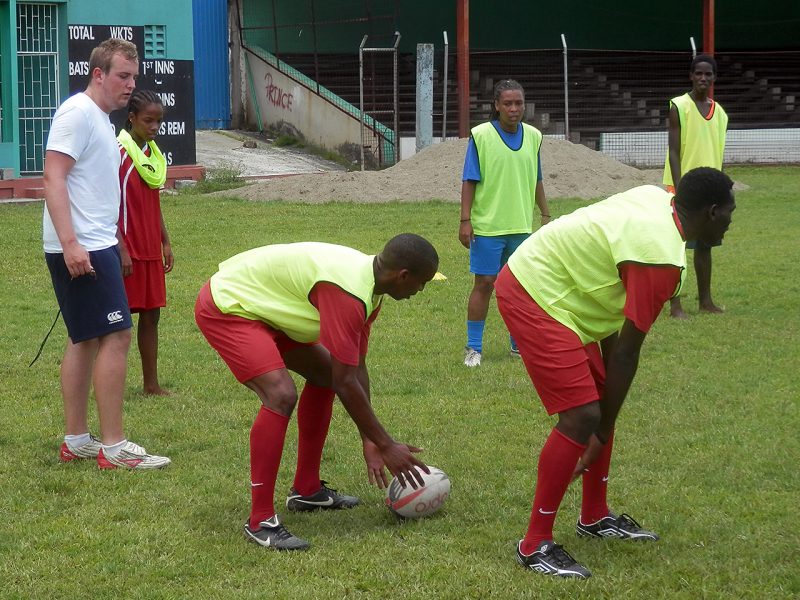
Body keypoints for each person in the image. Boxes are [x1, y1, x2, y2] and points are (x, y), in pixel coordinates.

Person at [495, 168, 735, 578]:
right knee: (583, 416)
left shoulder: (660, 201)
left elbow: (615, 327)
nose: (732, 221)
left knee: (602, 400)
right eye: (730, 212)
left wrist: (605, 414)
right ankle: (534, 544)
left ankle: (594, 516)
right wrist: (600, 430)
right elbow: (627, 351)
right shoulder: (659, 255)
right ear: (712, 212)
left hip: (567, 288)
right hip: (535, 289)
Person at [194, 234, 439, 551]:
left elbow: (354, 369)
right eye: (421, 284)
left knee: (325, 375)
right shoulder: (348, 293)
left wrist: (371, 438)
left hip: (269, 309)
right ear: (403, 276)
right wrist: (386, 443)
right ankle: (260, 520)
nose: (420, 292)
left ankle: (306, 491)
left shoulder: (371, 290)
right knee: (280, 395)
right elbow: (346, 381)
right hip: (230, 306)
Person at [43, 38, 170, 470]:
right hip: (82, 248)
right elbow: (52, 177)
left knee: (85, 339)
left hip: (95, 243)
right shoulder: (77, 113)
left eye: (134, 76)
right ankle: (114, 448)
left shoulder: (99, 117)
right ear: (98, 74)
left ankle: (77, 439)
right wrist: (72, 242)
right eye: (122, 76)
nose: (130, 85)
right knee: (116, 336)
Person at [459, 79, 550, 367]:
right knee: (485, 283)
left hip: (521, 226)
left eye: (518, 103)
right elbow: (469, 180)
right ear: (496, 106)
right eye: (508, 103)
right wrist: (465, 220)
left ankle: (517, 344)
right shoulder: (482, 136)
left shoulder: (534, 136)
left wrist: (545, 214)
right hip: (488, 227)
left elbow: (537, 179)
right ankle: (473, 348)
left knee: (519, 287)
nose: (514, 109)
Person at [117, 89, 173, 396]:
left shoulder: (153, 155)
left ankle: (151, 385)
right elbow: (106, 203)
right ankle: (110, 384)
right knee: (119, 320)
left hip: (150, 245)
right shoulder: (118, 153)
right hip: (128, 247)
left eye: (159, 122)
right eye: (148, 121)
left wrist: (165, 241)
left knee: (152, 315)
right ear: (132, 118)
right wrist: (120, 247)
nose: (154, 127)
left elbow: (154, 202)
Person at [664, 54, 728, 319]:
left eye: (708, 74)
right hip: (682, 189)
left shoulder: (721, 114)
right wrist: (680, 190)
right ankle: (675, 306)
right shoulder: (678, 106)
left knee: (705, 246)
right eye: (698, 73)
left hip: (709, 194)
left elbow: (719, 153)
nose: (703, 78)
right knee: (676, 247)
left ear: (714, 78)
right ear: (691, 76)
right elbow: (674, 151)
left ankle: (706, 301)